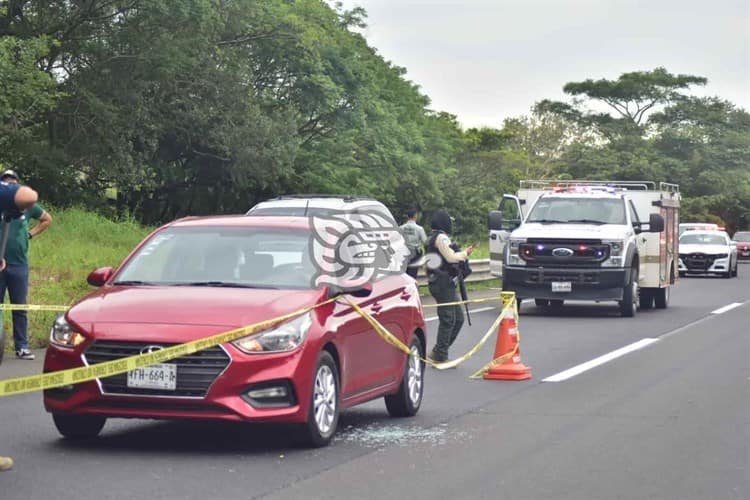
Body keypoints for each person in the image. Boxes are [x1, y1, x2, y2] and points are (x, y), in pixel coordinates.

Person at [0, 170, 49, 360]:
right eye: (6, 183)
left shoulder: (28, 207)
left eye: (13, 183)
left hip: (18, 263)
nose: (9, 186)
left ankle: (22, 346)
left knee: (19, 307)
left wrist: (30, 234)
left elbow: (47, 219)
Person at [425, 209, 473, 363]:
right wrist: (464, 253)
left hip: (439, 282)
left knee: (458, 318)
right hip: (442, 282)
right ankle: (440, 354)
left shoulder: (431, 238)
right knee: (448, 319)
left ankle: (439, 351)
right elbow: (451, 258)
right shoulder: (441, 238)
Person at [400, 207, 427, 279]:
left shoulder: (401, 228)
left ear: (407, 216)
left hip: (404, 253)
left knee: (404, 274)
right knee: (413, 274)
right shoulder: (419, 229)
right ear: (415, 216)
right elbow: (425, 241)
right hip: (415, 254)